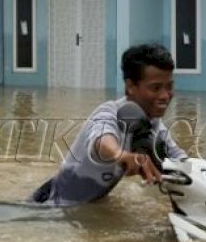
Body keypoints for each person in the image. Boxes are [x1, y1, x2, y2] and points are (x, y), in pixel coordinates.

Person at [30, 43, 187, 206]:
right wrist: (123, 156)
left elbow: (178, 156)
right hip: (55, 204)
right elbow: (102, 143)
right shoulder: (109, 112)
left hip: (93, 202)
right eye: (156, 88)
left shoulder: (153, 124)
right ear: (131, 86)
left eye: (169, 87)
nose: (165, 95)